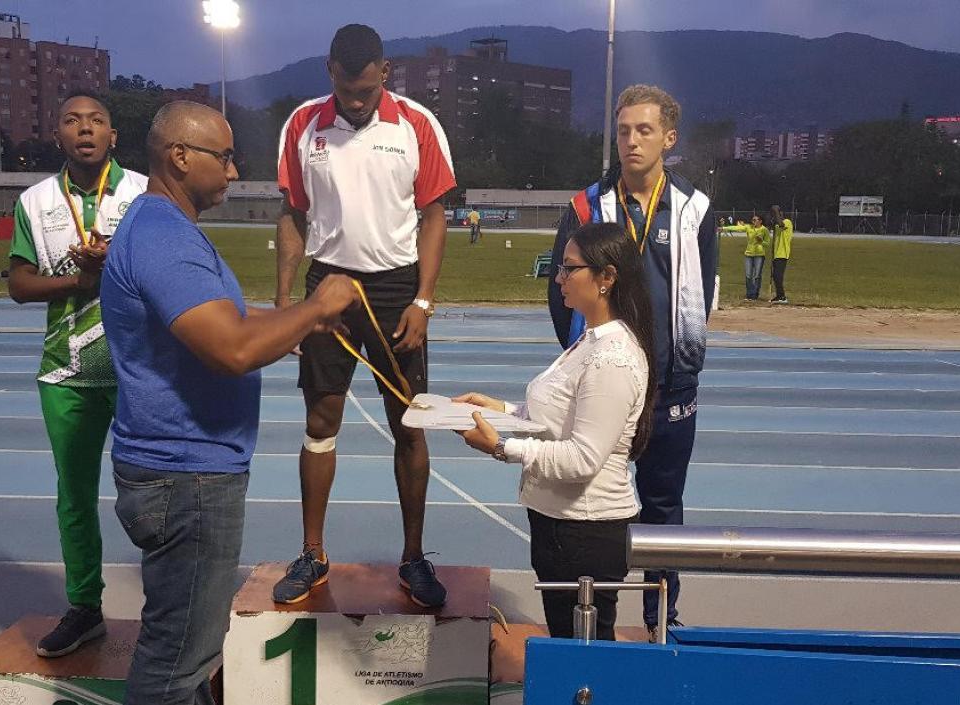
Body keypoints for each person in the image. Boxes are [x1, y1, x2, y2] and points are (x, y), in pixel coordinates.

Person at [102, 100, 357, 705]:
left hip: (181, 474)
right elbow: (231, 349)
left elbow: (227, 321)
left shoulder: (162, 229)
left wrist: (296, 323)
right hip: (185, 479)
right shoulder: (166, 239)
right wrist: (317, 306)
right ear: (180, 157)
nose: (235, 171)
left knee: (188, 649)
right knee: (174, 665)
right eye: (224, 157)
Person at [273, 24, 457, 608]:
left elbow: (433, 216)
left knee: (411, 423)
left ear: (385, 71)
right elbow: (292, 214)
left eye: (366, 88)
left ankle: (413, 558)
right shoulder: (303, 125)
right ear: (330, 71)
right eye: (347, 89)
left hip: (397, 288)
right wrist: (286, 304)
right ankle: (311, 553)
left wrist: (423, 301)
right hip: (327, 284)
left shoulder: (417, 125)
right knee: (320, 422)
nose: (356, 100)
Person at [549, 84, 717, 642]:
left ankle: (660, 621)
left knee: (664, 507)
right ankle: (599, 622)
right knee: (598, 509)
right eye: (623, 131)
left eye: (644, 130)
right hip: (607, 388)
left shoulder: (695, 210)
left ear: (669, 138)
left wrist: (682, 366)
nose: (631, 141)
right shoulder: (586, 207)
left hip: (670, 388)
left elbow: (704, 296)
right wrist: (585, 365)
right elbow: (561, 293)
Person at [458, 222, 654, 640]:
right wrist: (500, 410)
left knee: (584, 656)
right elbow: (555, 417)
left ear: (607, 277)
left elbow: (584, 458)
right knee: (569, 645)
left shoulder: (613, 358)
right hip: (559, 524)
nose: (559, 278)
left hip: (585, 529)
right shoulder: (589, 340)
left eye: (569, 268)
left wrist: (501, 447)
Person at [6, 91, 148, 658]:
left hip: (137, 370)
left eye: (97, 121)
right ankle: (85, 607)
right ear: (57, 136)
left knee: (153, 494)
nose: (85, 129)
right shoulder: (35, 201)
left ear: (114, 136)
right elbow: (19, 284)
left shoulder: (145, 194)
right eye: (72, 121)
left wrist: (111, 270)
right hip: (66, 372)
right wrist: (79, 282)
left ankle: (164, 610)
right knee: (75, 498)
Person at [720, 214, 770, 300]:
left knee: (757, 276)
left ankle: (755, 295)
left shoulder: (764, 230)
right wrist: (724, 228)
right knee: (748, 275)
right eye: (752, 220)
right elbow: (737, 228)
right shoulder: (748, 227)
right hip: (748, 254)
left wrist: (761, 241)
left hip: (759, 255)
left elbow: (767, 244)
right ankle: (749, 294)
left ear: (760, 221)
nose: (753, 221)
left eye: (755, 220)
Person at [769, 205, 793, 303]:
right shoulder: (776, 225)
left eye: (777, 213)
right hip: (776, 254)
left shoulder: (787, 222)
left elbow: (781, 224)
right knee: (775, 276)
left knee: (778, 276)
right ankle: (779, 295)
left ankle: (782, 296)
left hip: (783, 253)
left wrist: (776, 211)